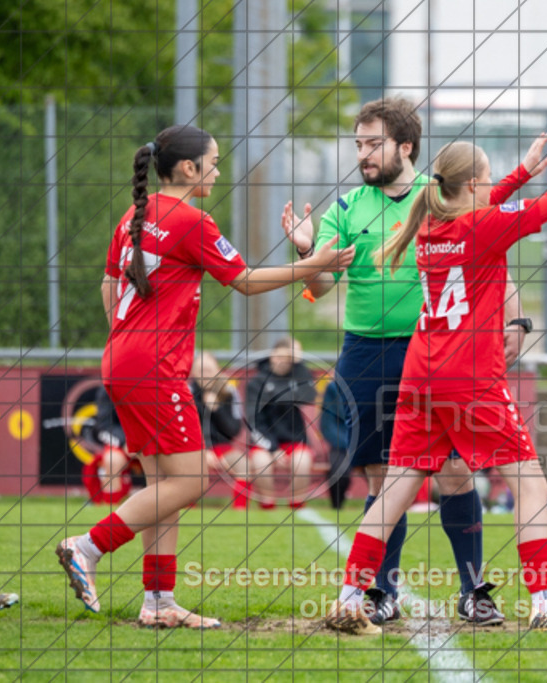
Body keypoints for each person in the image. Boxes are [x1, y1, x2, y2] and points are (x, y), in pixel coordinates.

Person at [56, 123, 354, 628]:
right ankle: (87, 547)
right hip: (153, 367)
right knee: (192, 478)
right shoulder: (191, 220)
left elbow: (110, 285)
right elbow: (244, 282)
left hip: (121, 359)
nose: (217, 172)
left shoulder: (135, 214)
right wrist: (314, 265)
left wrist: (130, 338)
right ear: (189, 168)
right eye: (213, 163)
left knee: (161, 483)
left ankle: (158, 602)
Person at [321, 101, 547, 635]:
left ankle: (350, 595)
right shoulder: (479, 229)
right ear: (471, 184)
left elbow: (477, 201)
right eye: (488, 179)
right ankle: (545, 602)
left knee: (395, 488)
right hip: (468, 377)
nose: (492, 187)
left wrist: (521, 172)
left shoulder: (427, 223)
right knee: (532, 485)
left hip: (419, 374)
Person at [283, 97, 547, 626]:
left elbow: (493, 262)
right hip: (365, 353)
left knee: (453, 472)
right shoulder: (347, 207)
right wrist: (306, 254)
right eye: (359, 144)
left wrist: (515, 322)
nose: (364, 153)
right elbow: (322, 282)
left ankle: (474, 589)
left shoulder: (441, 191)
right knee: (386, 477)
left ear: (405, 146)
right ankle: (381, 591)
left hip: (434, 349)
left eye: (373, 142)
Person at [245, 336, 317, 509]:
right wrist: (273, 449)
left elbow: (310, 396)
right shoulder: (256, 383)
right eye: (278, 356)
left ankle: (296, 505)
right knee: (261, 462)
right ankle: (268, 506)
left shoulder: (297, 377)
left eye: (288, 358)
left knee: (303, 461)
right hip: (265, 441)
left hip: (293, 440)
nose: (281, 361)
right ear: (272, 356)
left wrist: (298, 364)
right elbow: (253, 421)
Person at [189, 351, 248, 510]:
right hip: (194, 448)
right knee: (186, 468)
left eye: (208, 370)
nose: (205, 375)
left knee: (244, 466)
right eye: (201, 371)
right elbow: (184, 430)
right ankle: (188, 511)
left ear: (217, 371)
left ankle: (240, 512)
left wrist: (217, 409)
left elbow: (234, 430)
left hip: (223, 448)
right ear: (194, 372)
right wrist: (204, 450)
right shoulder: (186, 393)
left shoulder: (228, 392)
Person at [319, 378, 352, 509]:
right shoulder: (333, 388)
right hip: (341, 444)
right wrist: (347, 444)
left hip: (367, 441)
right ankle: (337, 506)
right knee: (339, 471)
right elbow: (327, 423)